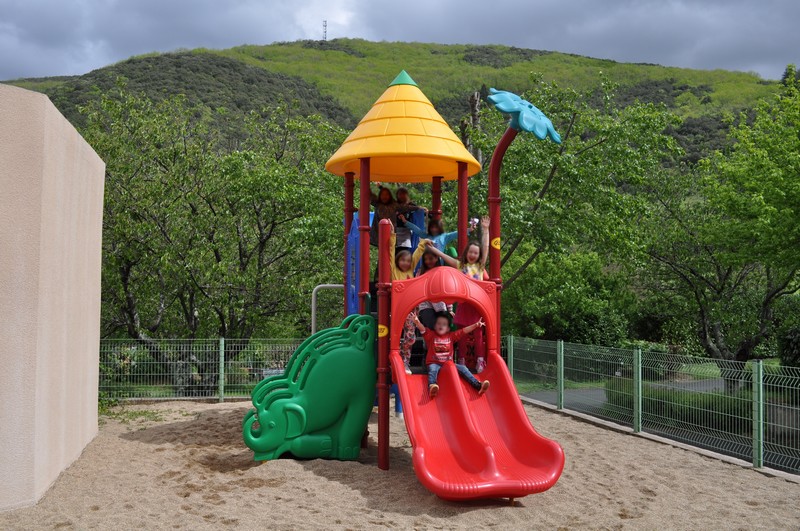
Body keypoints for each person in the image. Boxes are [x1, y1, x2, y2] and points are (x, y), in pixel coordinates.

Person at [424, 216, 491, 373]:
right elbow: (444, 257)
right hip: (463, 304)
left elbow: (486, 248)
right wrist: (432, 248)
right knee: (461, 333)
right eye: (471, 252)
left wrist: (486, 230)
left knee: (478, 332)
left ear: (479, 255)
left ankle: (480, 361)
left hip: (476, 304)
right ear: (467, 253)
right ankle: (460, 359)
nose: (473, 255)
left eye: (476, 253)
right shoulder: (461, 265)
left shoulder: (480, 267)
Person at [411, 311, 489, 398]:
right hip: (434, 363)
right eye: (438, 323)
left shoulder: (451, 336)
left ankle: (478, 385)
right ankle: (432, 387)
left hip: (448, 365)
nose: (441, 326)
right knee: (432, 370)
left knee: (463, 368)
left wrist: (475, 325)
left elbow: (463, 331)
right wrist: (417, 322)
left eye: (444, 324)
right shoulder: (431, 335)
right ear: (435, 326)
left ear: (448, 328)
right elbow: (423, 329)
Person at [388, 226, 430, 374]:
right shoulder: (395, 271)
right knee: (393, 338)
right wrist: (392, 235)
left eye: (408, 261)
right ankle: (394, 362)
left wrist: (423, 243)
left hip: (412, 310)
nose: (406, 263)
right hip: (398, 309)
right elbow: (390, 253)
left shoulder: (410, 270)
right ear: (398, 262)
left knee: (411, 338)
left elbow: (417, 255)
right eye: (403, 261)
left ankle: (405, 362)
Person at [416, 249, 451, 329]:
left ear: (436, 258)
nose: (428, 261)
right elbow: (417, 289)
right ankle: (428, 341)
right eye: (426, 259)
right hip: (425, 304)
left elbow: (447, 290)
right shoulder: (420, 272)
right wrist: (416, 305)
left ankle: (442, 341)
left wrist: (450, 308)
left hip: (439, 303)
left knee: (442, 327)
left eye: (431, 258)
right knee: (430, 325)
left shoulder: (441, 272)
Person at [369, 183, 397, 247]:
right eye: (382, 195)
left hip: (390, 235)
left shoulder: (393, 205)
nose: (384, 197)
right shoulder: (378, 203)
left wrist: (381, 187)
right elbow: (370, 195)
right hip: (379, 236)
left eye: (386, 195)